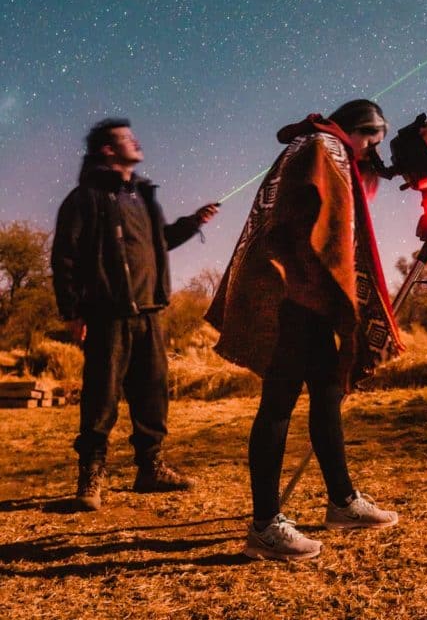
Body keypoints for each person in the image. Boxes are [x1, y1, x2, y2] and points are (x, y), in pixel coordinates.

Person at [206, 99, 403, 562]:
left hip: (307, 292)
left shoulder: (324, 147)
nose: (373, 149)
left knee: (327, 391)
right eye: (372, 138)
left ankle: (342, 502)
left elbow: (342, 209)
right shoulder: (322, 147)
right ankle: (264, 525)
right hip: (293, 293)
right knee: (278, 403)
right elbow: (322, 221)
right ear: (362, 127)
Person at [51, 118, 218, 511]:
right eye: (127, 138)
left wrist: (194, 223)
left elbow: (159, 243)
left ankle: (150, 468)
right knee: (101, 397)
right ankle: (91, 475)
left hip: (150, 312)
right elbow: (65, 258)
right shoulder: (85, 198)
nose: (137, 141)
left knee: (152, 394)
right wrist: (72, 311)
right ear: (108, 150)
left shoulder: (143, 197)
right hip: (107, 314)